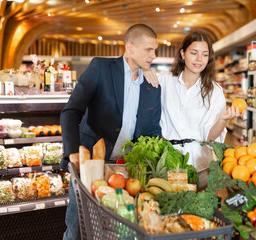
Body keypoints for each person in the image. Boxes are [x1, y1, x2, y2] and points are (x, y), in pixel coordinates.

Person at [60, 23, 162, 240]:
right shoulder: (101, 68)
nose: (154, 55)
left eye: (155, 50)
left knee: (118, 230)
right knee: (78, 226)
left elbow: (153, 129)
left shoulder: (152, 85)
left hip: (127, 170)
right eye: (149, 49)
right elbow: (71, 111)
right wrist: (72, 153)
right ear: (130, 48)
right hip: (91, 163)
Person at [144, 32, 240, 170]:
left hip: (199, 161)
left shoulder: (214, 91)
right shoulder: (165, 81)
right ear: (183, 54)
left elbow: (210, 137)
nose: (199, 59)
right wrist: (144, 73)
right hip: (165, 158)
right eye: (194, 53)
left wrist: (223, 119)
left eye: (205, 55)